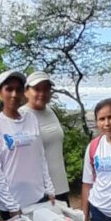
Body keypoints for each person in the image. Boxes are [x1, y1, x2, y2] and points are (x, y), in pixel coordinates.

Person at [0, 70, 55, 219]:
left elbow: (40, 156)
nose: (14, 94)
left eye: (18, 89)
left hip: (38, 197)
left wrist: (49, 189)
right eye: (9, 89)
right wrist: (11, 204)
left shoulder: (30, 118)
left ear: (23, 92)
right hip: (13, 204)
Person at [19, 71, 70, 205]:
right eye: (37, 89)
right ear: (26, 91)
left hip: (61, 186)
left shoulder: (50, 111)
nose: (42, 93)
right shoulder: (22, 116)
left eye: (46, 89)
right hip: (40, 192)